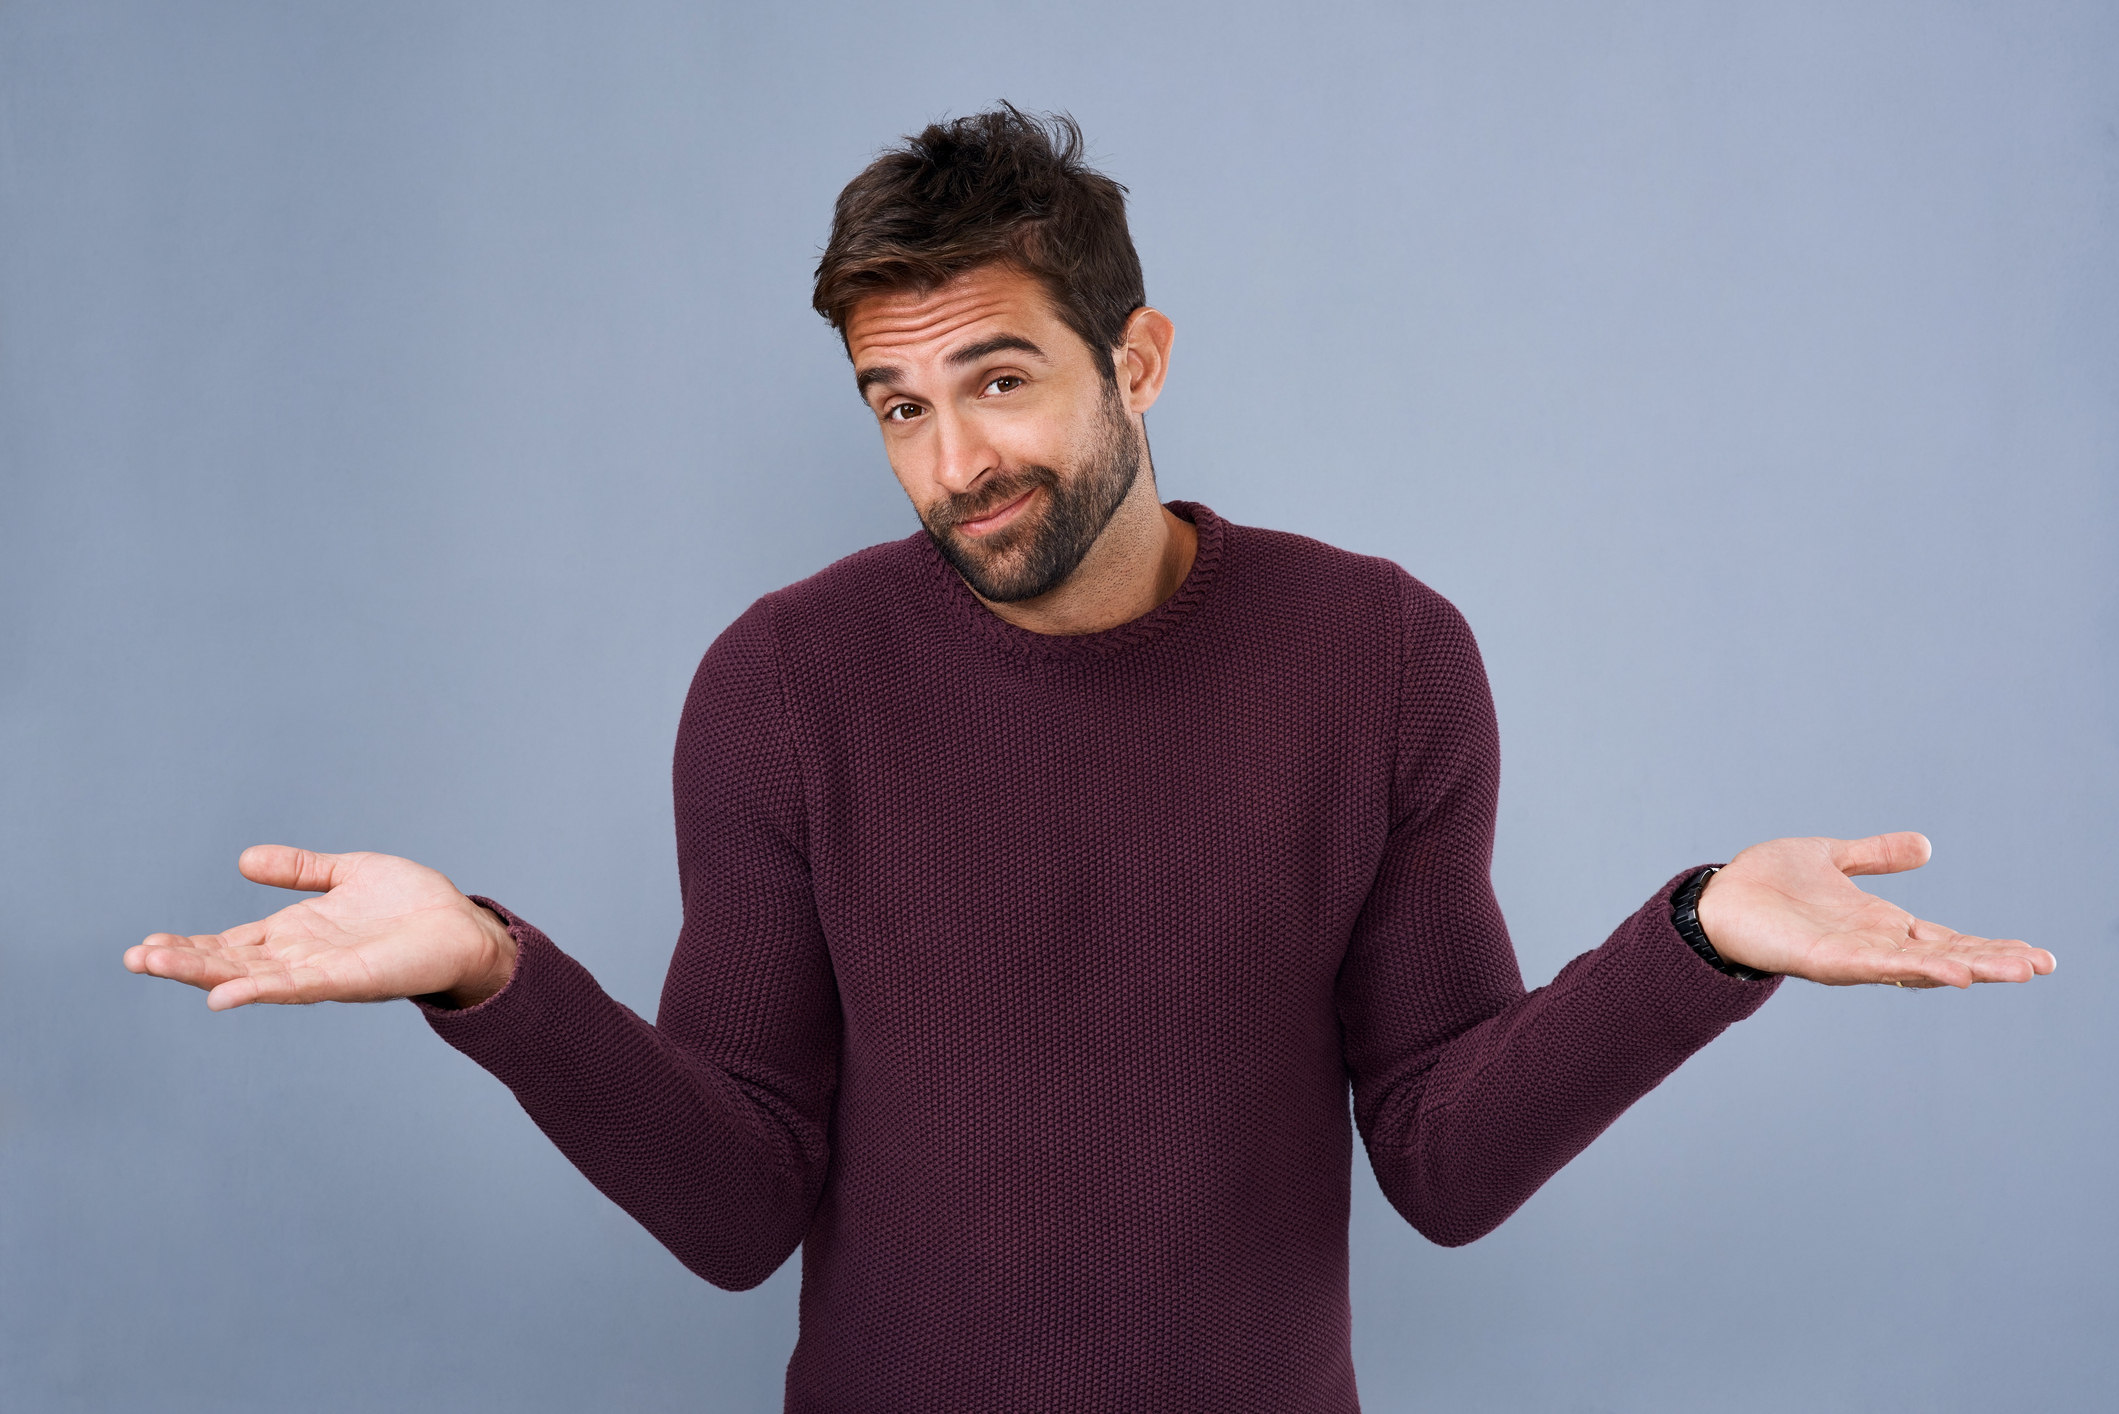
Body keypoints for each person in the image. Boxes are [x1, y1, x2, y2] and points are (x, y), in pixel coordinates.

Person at [124, 106, 2055, 1413]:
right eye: (898, 404)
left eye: (1000, 380)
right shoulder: (783, 686)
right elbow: (734, 1204)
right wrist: (490, 972)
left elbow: (1447, 1155)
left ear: (1137, 361)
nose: (954, 459)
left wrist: (1699, 937)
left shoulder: (1381, 657)